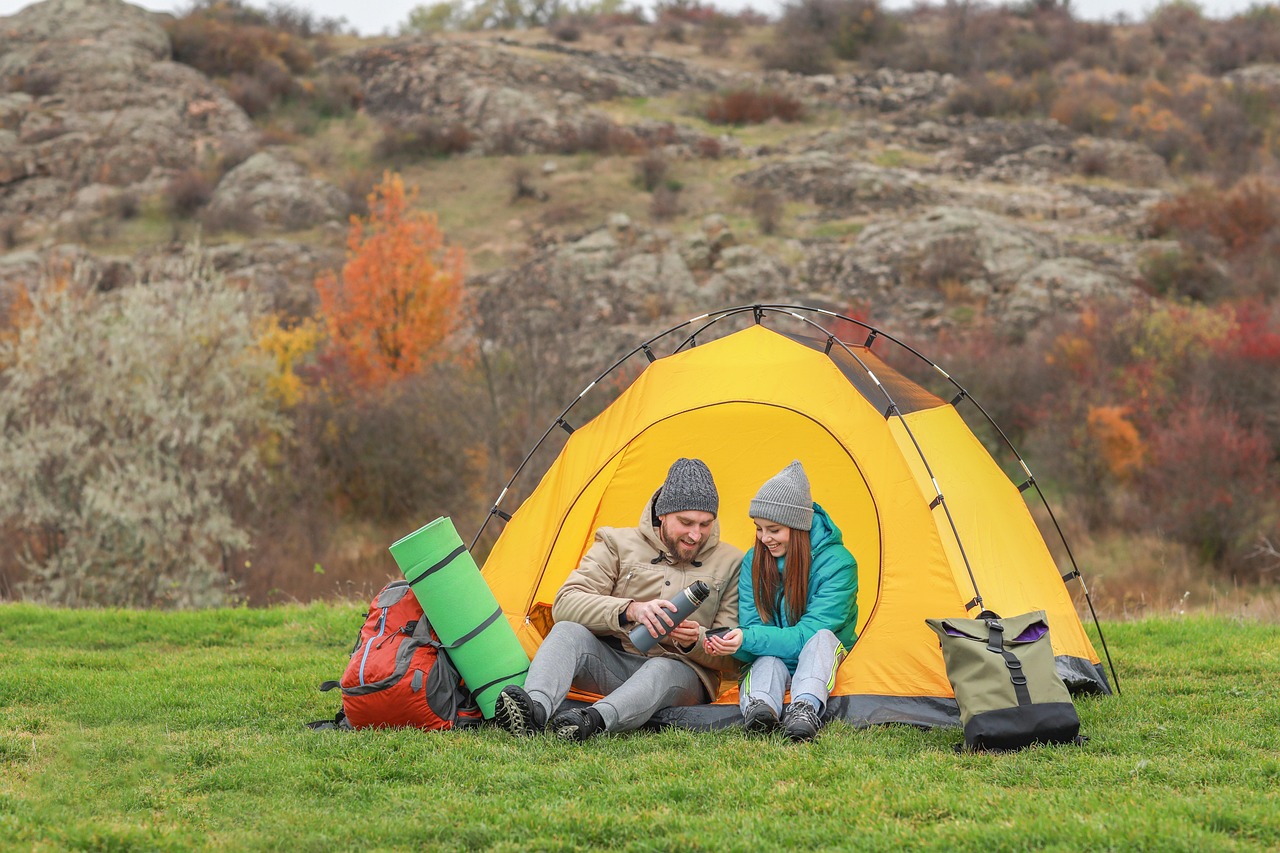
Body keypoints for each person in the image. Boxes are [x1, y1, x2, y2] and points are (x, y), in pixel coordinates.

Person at [494, 458, 743, 742]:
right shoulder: (616, 543)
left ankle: (591, 720)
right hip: (614, 661)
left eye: (705, 524)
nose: (695, 534)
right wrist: (630, 610)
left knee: (661, 668)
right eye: (685, 522)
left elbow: (734, 658)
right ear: (662, 514)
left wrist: (694, 640)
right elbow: (566, 603)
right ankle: (534, 711)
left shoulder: (732, 562)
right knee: (566, 631)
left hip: (680, 675)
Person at [704, 460, 858, 742]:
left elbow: (807, 636)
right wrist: (735, 644)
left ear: (798, 527)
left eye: (773, 530)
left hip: (821, 662)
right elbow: (753, 628)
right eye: (759, 529)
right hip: (773, 660)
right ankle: (760, 707)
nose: (764, 539)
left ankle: (804, 708)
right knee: (766, 653)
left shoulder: (839, 565)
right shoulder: (754, 560)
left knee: (821, 639)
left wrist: (749, 638)